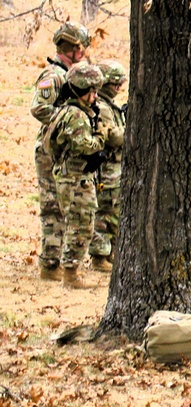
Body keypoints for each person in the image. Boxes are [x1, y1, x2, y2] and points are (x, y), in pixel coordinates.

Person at [30, 22, 91, 281]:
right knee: (52, 206)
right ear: (72, 48)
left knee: (67, 205)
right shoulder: (53, 76)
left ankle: (59, 260)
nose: (84, 52)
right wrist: (66, 119)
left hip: (64, 151)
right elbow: (38, 108)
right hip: (49, 151)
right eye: (81, 48)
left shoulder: (71, 74)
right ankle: (50, 264)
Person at [45, 63, 108, 288]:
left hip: (73, 177)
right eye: (90, 92)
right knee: (81, 225)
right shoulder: (75, 115)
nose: (94, 97)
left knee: (79, 223)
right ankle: (71, 274)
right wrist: (102, 136)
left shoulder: (69, 110)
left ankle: (71, 270)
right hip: (75, 179)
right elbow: (85, 145)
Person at [89, 60, 127, 272]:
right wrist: (131, 131)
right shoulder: (101, 108)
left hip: (116, 169)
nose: (119, 87)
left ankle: (110, 251)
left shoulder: (109, 105)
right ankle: (99, 256)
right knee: (105, 212)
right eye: (115, 83)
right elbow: (112, 136)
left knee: (115, 212)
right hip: (106, 170)